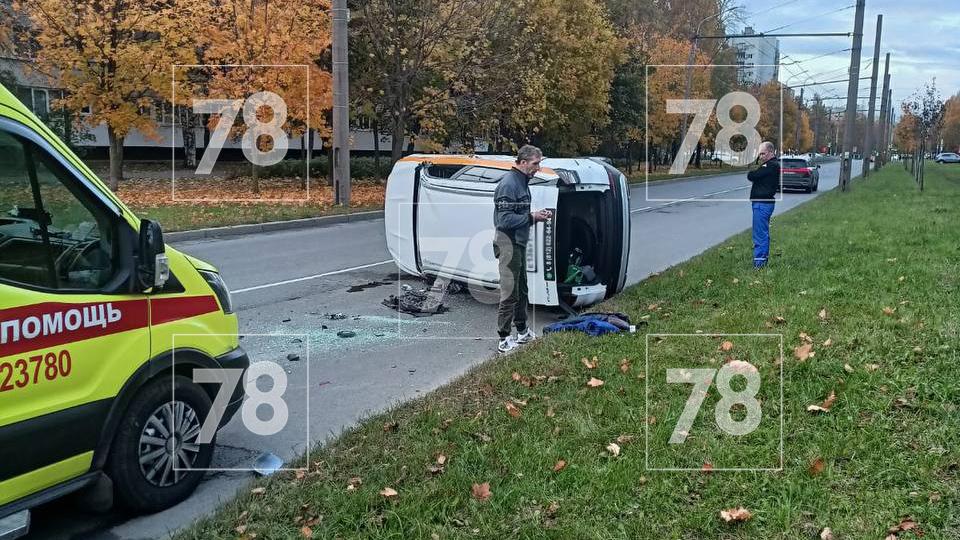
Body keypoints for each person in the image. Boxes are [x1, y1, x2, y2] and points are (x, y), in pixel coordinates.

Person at [493, 145, 552, 353]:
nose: (538, 168)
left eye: (539, 163)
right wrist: (531, 216)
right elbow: (504, 220)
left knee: (522, 290)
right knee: (510, 291)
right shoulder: (509, 184)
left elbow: (518, 216)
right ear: (523, 162)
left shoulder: (522, 182)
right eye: (536, 163)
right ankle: (503, 338)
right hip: (508, 244)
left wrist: (536, 216)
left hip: (518, 243)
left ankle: (522, 331)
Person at [748, 141, 780, 269]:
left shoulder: (770, 165)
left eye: (763, 153)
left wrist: (756, 165)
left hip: (762, 204)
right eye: (759, 154)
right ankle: (762, 261)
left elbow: (752, 175)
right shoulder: (770, 165)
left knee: (760, 235)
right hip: (763, 203)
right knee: (762, 233)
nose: (761, 156)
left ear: (771, 152)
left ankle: (759, 265)